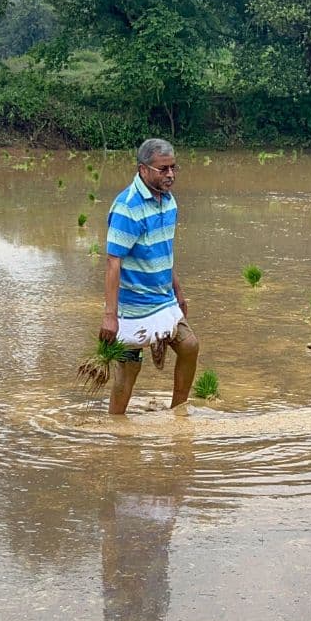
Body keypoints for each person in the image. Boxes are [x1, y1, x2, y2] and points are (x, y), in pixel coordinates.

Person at [101, 138, 199, 414]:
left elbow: (164, 251)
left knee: (190, 346)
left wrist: (178, 292)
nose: (170, 174)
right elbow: (113, 262)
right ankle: (115, 424)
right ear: (143, 169)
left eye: (173, 167)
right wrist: (110, 316)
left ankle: (178, 412)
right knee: (129, 368)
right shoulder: (128, 208)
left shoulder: (168, 201)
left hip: (163, 299)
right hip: (132, 304)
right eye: (163, 169)